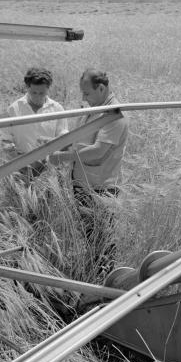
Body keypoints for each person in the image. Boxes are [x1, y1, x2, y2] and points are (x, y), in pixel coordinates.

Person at [49, 69, 129, 274]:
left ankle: (106, 279)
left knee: (102, 240)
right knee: (91, 237)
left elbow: (99, 151)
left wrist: (62, 157)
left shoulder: (114, 115)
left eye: (87, 93)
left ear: (101, 88)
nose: (83, 98)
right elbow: (80, 140)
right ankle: (95, 275)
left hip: (99, 189)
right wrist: (60, 146)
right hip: (84, 185)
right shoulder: (95, 108)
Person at [6, 67, 68, 181]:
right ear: (27, 87)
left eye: (42, 93)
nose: (38, 97)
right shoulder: (14, 109)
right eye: (33, 92)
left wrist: (46, 162)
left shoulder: (58, 109)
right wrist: (20, 164)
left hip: (49, 172)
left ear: (48, 89)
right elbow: (6, 141)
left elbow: (64, 140)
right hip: (20, 171)